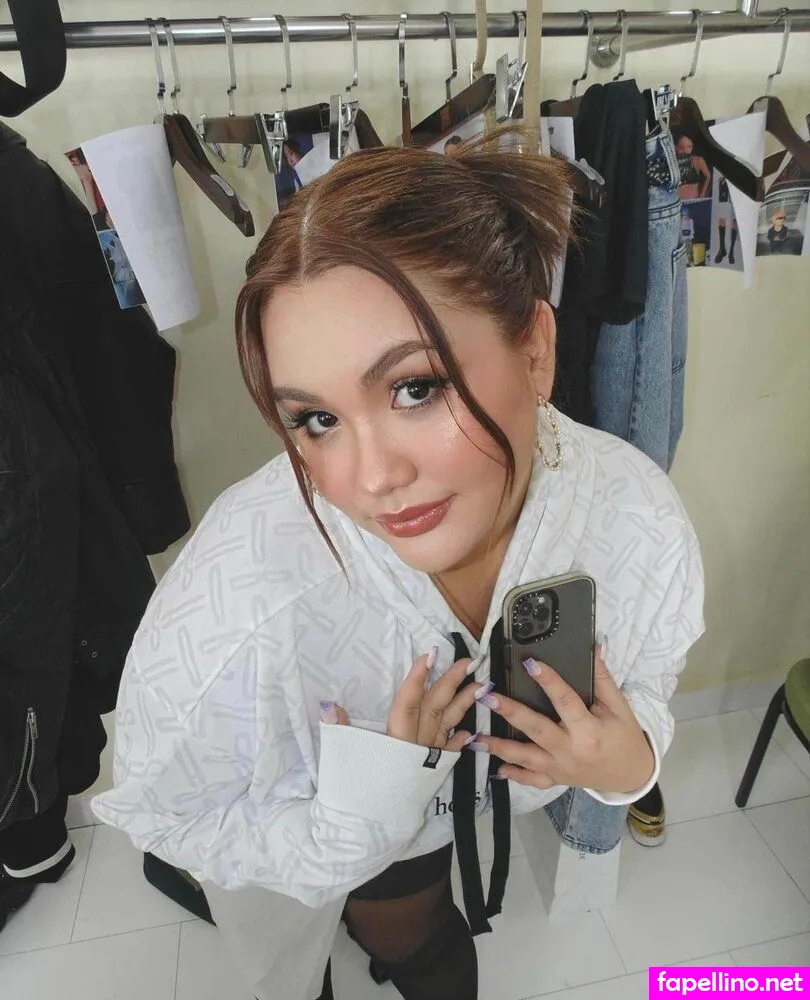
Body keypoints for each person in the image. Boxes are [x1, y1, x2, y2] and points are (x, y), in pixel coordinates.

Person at [92, 136, 705, 1000]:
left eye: (415, 387)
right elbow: (176, 812)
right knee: (371, 947)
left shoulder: (632, 516)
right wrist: (365, 813)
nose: (371, 477)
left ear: (535, 349)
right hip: (327, 828)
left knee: (434, 956)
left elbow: (650, 682)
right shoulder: (244, 607)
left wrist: (626, 767)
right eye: (316, 420)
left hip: (453, 820)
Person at [675, 134, 711, 201]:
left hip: (693, 200)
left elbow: (708, 176)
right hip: (677, 201)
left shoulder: (698, 161)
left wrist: (703, 193)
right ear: (676, 147)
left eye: (689, 147)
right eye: (681, 147)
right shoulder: (672, 162)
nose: (685, 150)